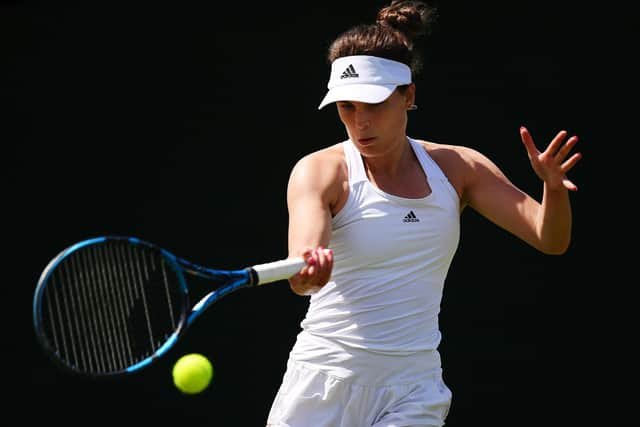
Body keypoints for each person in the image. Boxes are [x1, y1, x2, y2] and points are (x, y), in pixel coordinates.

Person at [266, 1, 581, 426]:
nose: (360, 123)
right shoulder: (320, 171)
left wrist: (553, 189)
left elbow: (550, 238)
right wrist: (309, 274)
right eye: (347, 107)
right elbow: (303, 271)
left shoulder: (459, 168)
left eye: (373, 104)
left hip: (413, 387)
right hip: (325, 379)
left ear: (408, 95)